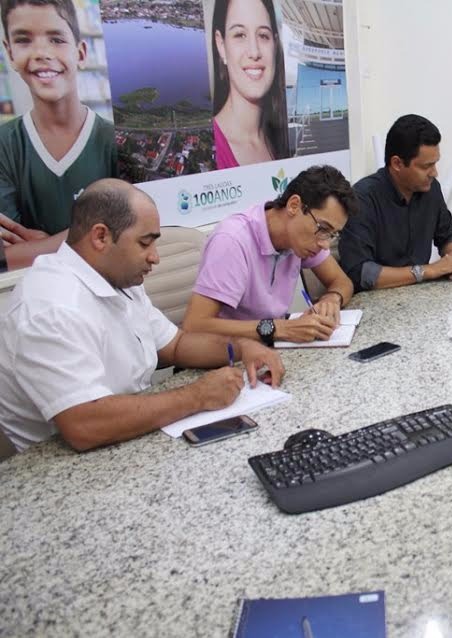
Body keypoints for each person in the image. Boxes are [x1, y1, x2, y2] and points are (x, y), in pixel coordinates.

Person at [0, 178, 285, 452]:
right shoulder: (51, 307)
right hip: (60, 471)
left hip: (128, 438)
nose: (155, 257)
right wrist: (198, 396)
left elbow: (174, 345)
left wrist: (240, 347)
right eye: (145, 243)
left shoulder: (117, 278)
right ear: (100, 236)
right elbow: (84, 425)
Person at [0, 0, 117, 269]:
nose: (41, 52)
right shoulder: (5, 145)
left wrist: (40, 247)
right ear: (9, 52)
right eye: (24, 40)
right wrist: (84, 238)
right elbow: (6, 256)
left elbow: (125, 236)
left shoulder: (114, 142)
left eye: (56, 39)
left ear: (81, 53)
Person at [182, 165, 356, 345]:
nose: (325, 243)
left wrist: (331, 298)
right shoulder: (232, 241)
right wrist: (279, 328)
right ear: (294, 206)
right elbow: (194, 326)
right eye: (323, 229)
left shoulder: (299, 239)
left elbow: (342, 282)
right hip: (226, 356)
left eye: (332, 234)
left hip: (269, 348)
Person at [337, 114, 452, 291]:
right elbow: (361, 272)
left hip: (418, 296)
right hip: (375, 302)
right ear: (397, 163)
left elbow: (451, 236)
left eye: (435, 164)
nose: (434, 173)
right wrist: (426, 271)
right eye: (425, 166)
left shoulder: (430, 189)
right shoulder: (363, 198)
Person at [210, 0, 288, 169]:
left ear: (275, 45)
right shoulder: (211, 148)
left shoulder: (281, 142)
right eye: (240, 35)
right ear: (221, 45)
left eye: (263, 35)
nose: (254, 52)